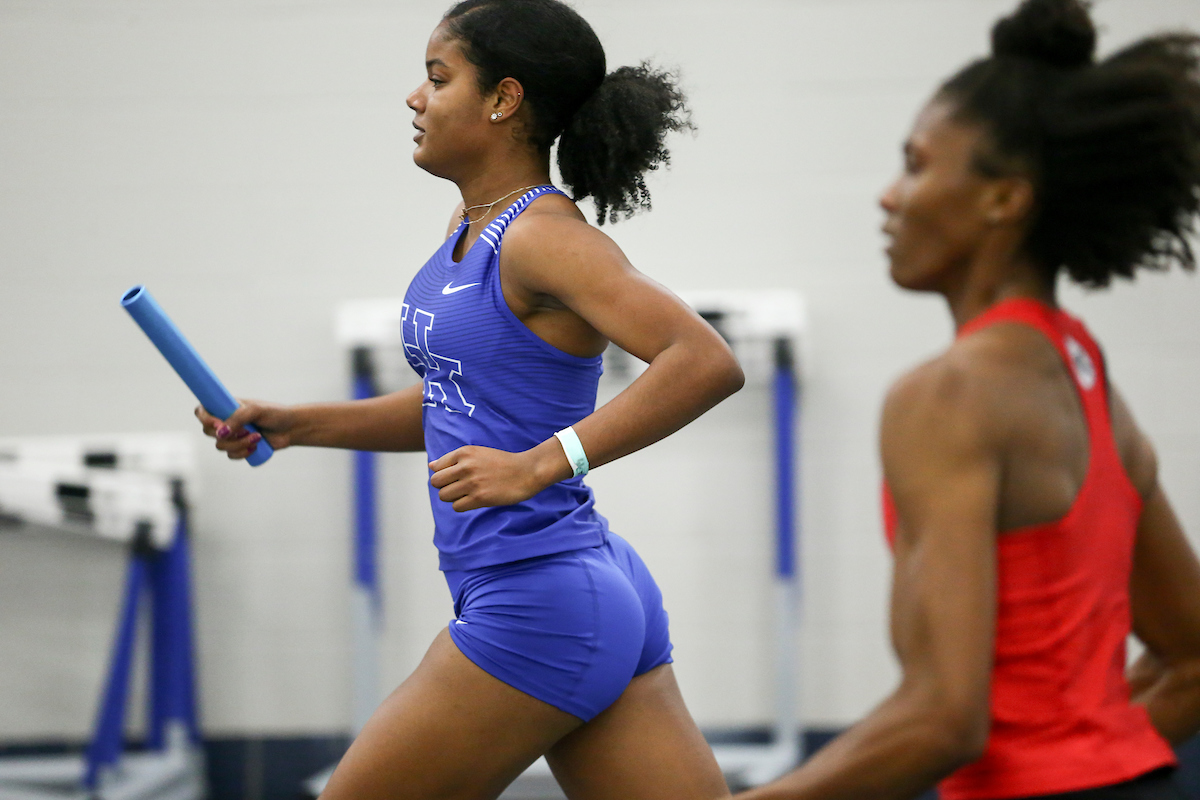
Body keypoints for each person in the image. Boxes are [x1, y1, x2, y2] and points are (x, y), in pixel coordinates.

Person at [195, 1, 742, 798]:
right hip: (580, 584)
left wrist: (539, 465)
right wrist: (296, 422)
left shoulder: (543, 237)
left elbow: (704, 360)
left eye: (436, 77)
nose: (415, 99)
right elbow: (453, 401)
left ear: (503, 100)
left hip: (541, 597)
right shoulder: (471, 224)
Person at [739, 2, 1200, 800]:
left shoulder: (945, 395)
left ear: (1002, 200)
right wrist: (1090, 754)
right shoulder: (1086, 373)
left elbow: (944, 720)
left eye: (916, 165)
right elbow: (1194, 659)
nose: (889, 196)